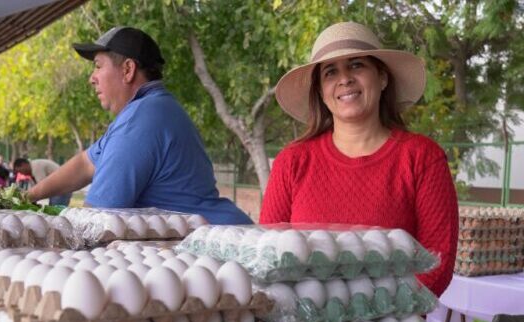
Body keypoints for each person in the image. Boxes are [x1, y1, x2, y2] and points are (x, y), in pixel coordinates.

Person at [260, 22, 458, 297]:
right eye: (331, 72)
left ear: (382, 77)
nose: (345, 79)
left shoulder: (422, 158)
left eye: (356, 65)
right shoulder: (292, 162)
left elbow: (438, 261)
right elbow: (269, 257)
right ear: (320, 90)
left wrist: (368, 314)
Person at [26, 26, 251, 225]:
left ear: (127, 70)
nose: (91, 78)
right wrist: (28, 196)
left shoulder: (141, 119)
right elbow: (85, 164)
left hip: (214, 249)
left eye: (97, 66)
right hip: (212, 237)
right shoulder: (149, 108)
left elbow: (97, 218)